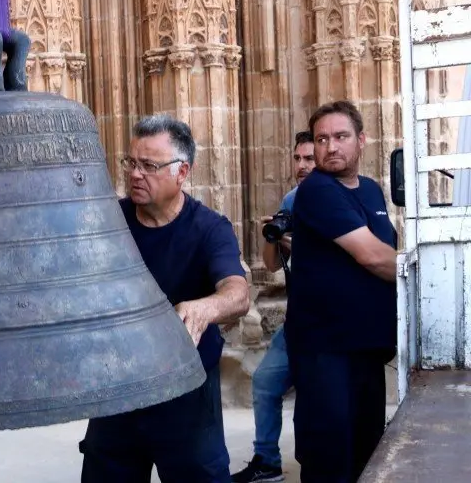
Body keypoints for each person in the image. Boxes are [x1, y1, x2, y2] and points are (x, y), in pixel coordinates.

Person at [78, 114, 251, 482]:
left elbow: (237, 294)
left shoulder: (209, 228)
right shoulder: (109, 222)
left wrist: (205, 308)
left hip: (185, 394)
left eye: (149, 166)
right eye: (131, 163)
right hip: (118, 391)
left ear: (182, 172)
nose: (135, 174)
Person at [285, 101, 397, 482]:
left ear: (361, 140)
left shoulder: (371, 190)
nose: (331, 147)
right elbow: (372, 255)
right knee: (330, 460)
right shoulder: (316, 190)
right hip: (326, 353)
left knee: (367, 454)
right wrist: (428, 278)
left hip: (366, 348)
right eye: (322, 139)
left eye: (341, 137)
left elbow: (385, 249)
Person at [232, 131, 314, 483]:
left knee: (315, 397)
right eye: (297, 159)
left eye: (309, 158)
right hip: (296, 321)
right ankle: (267, 461)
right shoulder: (292, 200)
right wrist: (274, 236)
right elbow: (272, 265)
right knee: (265, 382)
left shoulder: (338, 200)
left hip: (328, 322)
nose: (302, 166)